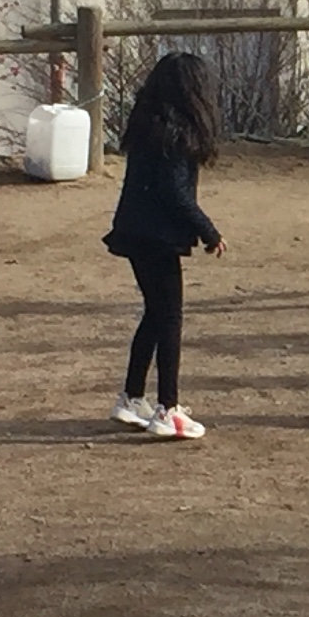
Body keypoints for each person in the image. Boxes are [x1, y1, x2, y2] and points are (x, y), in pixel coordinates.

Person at [106, 51, 225, 440]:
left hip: (133, 231)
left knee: (155, 314)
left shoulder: (146, 127)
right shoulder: (177, 135)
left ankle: (132, 397)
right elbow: (176, 193)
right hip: (157, 236)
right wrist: (208, 231)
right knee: (170, 317)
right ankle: (168, 408)